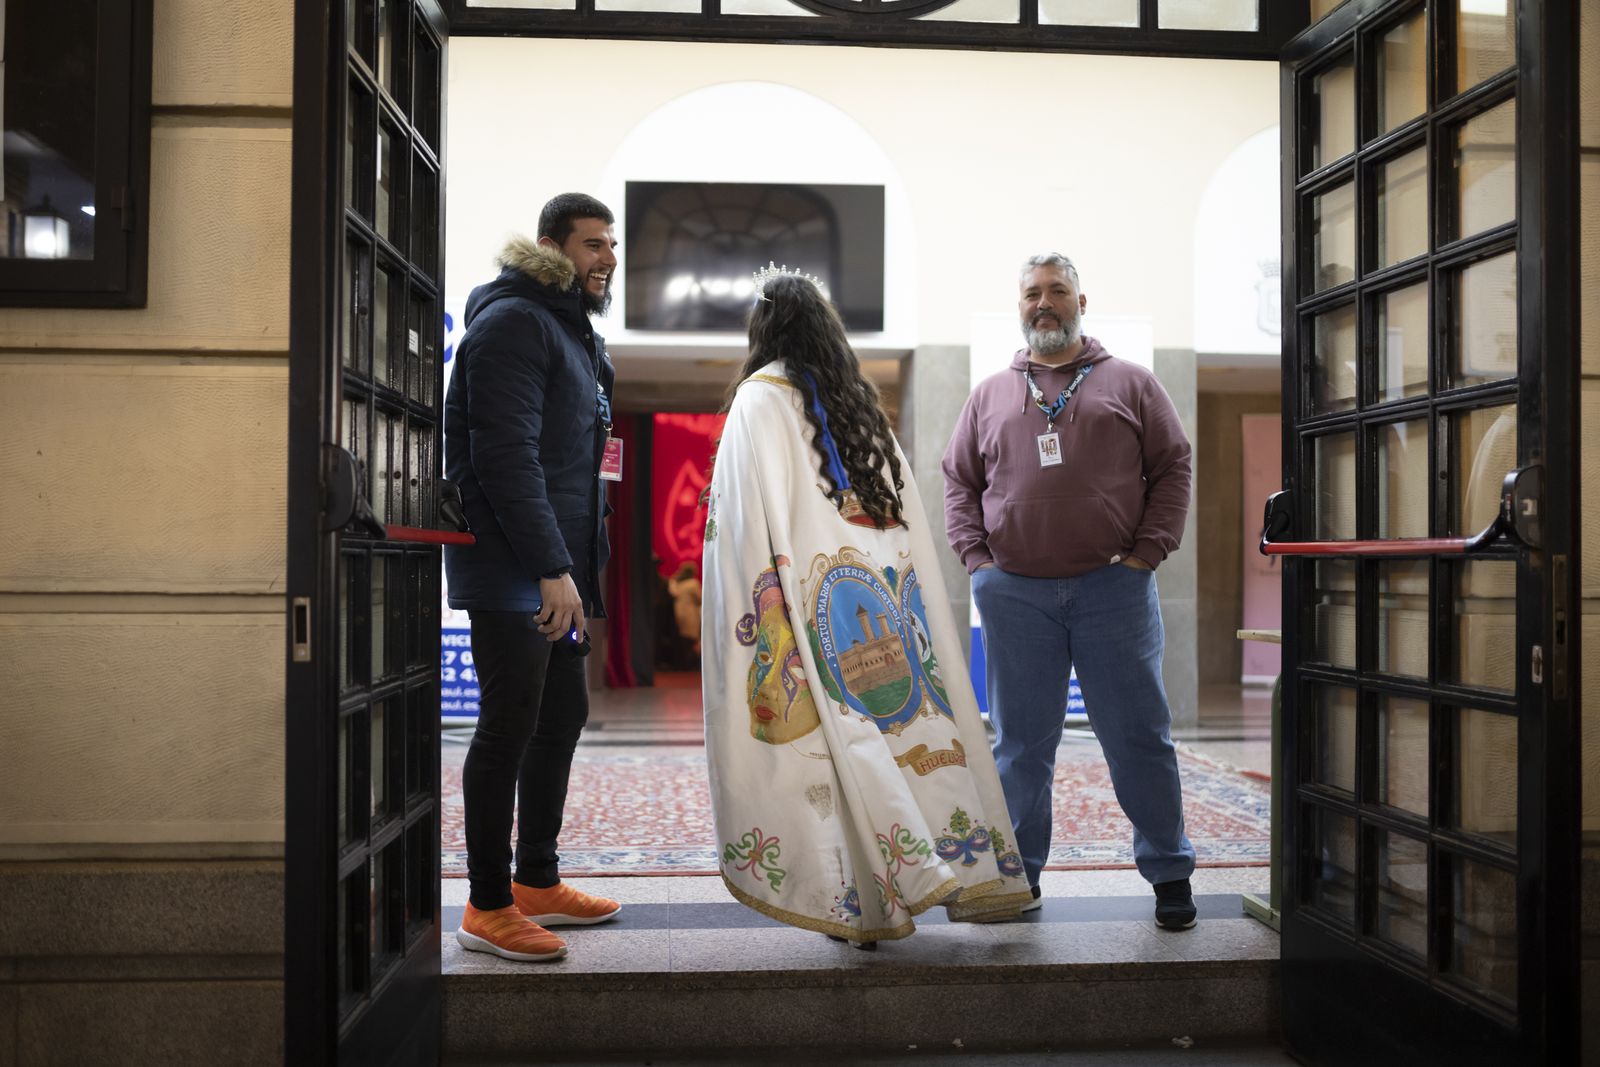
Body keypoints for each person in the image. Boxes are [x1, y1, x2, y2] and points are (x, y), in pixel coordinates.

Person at [701, 267, 1032, 944]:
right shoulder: (860, 411)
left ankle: (869, 904)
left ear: (761, 331)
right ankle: (913, 882)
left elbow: (735, 527)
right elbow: (904, 525)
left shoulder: (757, 404)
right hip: (877, 618)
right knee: (888, 747)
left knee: (838, 759)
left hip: (805, 617)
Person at [941, 252, 1198, 930]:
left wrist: (1148, 553)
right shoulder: (992, 392)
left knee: (1139, 735)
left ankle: (1170, 871)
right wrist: (978, 562)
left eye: (1058, 290)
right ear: (1019, 304)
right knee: (1020, 746)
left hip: (1114, 588)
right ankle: (1018, 877)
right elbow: (957, 479)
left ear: (1083, 300)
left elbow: (1174, 465)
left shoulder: (1131, 383)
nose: (1044, 303)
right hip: (1015, 596)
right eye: (1033, 293)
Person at [444, 193, 624, 963]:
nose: (605, 258)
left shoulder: (576, 334)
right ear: (551, 246)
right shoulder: (515, 322)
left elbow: (576, 466)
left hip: (560, 569)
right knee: (509, 725)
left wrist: (576, 568)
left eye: (611, 245)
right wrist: (551, 567)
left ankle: (537, 879)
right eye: (591, 244)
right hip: (517, 565)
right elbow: (504, 456)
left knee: (562, 716)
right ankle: (487, 904)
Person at [666, 560, 703, 656]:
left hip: (676, 612)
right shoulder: (693, 583)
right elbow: (700, 599)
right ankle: (689, 664)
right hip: (690, 614)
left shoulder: (676, 583)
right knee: (690, 640)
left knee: (681, 639)